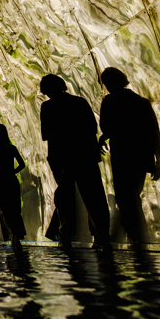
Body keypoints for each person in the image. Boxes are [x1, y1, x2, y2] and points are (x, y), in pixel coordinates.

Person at [39, 74, 111, 250]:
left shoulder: (47, 107)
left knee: (65, 198)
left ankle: (66, 235)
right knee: (94, 196)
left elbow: (46, 134)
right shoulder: (80, 102)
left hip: (61, 157)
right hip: (84, 155)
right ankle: (101, 236)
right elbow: (92, 128)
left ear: (47, 90)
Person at [98, 68, 160, 247]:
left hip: (122, 154)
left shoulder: (109, 101)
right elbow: (154, 133)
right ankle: (139, 236)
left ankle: (135, 236)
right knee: (133, 195)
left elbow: (106, 126)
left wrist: (104, 137)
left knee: (125, 197)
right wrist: (159, 161)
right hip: (141, 156)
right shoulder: (141, 102)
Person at [0, 124, 27, 252]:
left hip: (1, 180)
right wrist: (13, 171)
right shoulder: (11, 148)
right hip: (11, 179)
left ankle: (14, 235)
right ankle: (16, 236)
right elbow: (22, 164)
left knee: (5, 209)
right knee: (15, 208)